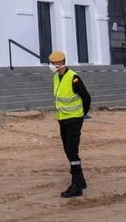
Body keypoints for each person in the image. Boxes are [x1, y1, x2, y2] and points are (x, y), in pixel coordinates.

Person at [49, 50, 91, 198]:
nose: (55, 66)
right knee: (68, 149)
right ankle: (81, 179)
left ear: (64, 62)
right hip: (62, 119)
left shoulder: (73, 78)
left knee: (71, 150)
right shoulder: (56, 77)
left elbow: (86, 97)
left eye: (58, 63)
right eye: (53, 63)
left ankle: (76, 185)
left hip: (74, 119)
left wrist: (82, 114)